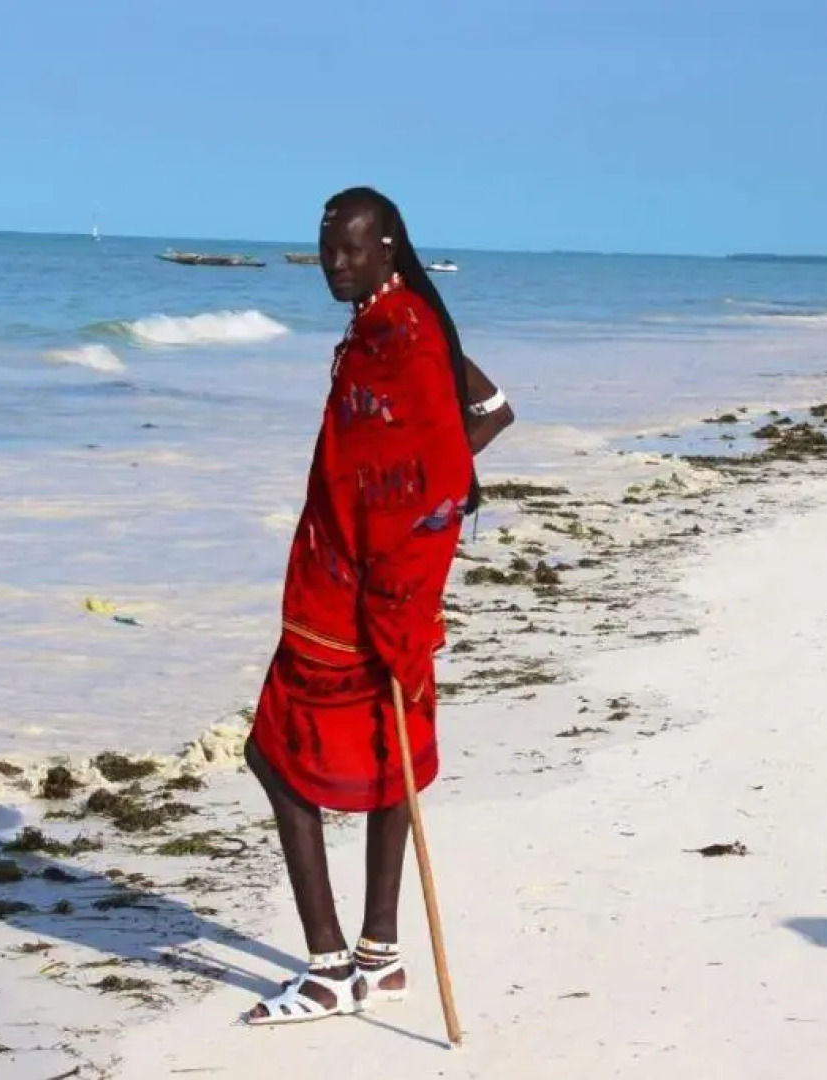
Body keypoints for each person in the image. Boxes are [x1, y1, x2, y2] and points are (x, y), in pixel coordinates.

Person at [240, 186, 507, 1025]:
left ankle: (327, 970)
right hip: (368, 584)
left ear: (389, 246)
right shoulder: (388, 325)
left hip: (359, 592)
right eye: (327, 250)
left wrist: (397, 563)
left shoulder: (406, 336)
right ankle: (380, 960)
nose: (336, 263)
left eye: (352, 250)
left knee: (276, 756)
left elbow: (440, 467)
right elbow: (489, 414)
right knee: (389, 752)